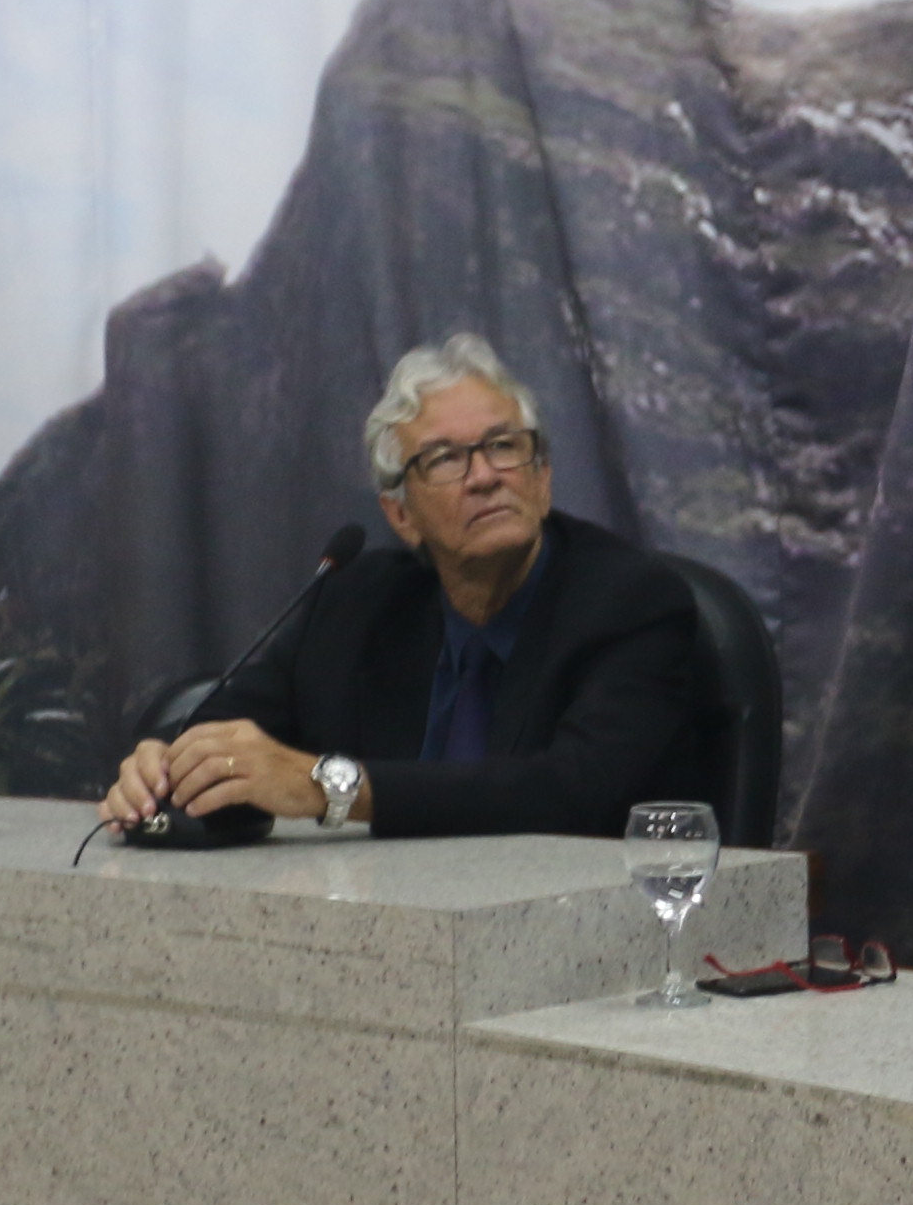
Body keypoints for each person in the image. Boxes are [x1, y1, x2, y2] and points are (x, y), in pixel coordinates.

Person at [102, 334, 723, 840]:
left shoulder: (631, 602)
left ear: (542, 479)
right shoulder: (354, 603)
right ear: (400, 514)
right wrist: (164, 766)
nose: (485, 476)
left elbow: (571, 794)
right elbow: (231, 729)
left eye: (503, 446)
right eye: (446, 459)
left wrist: (330, 787)